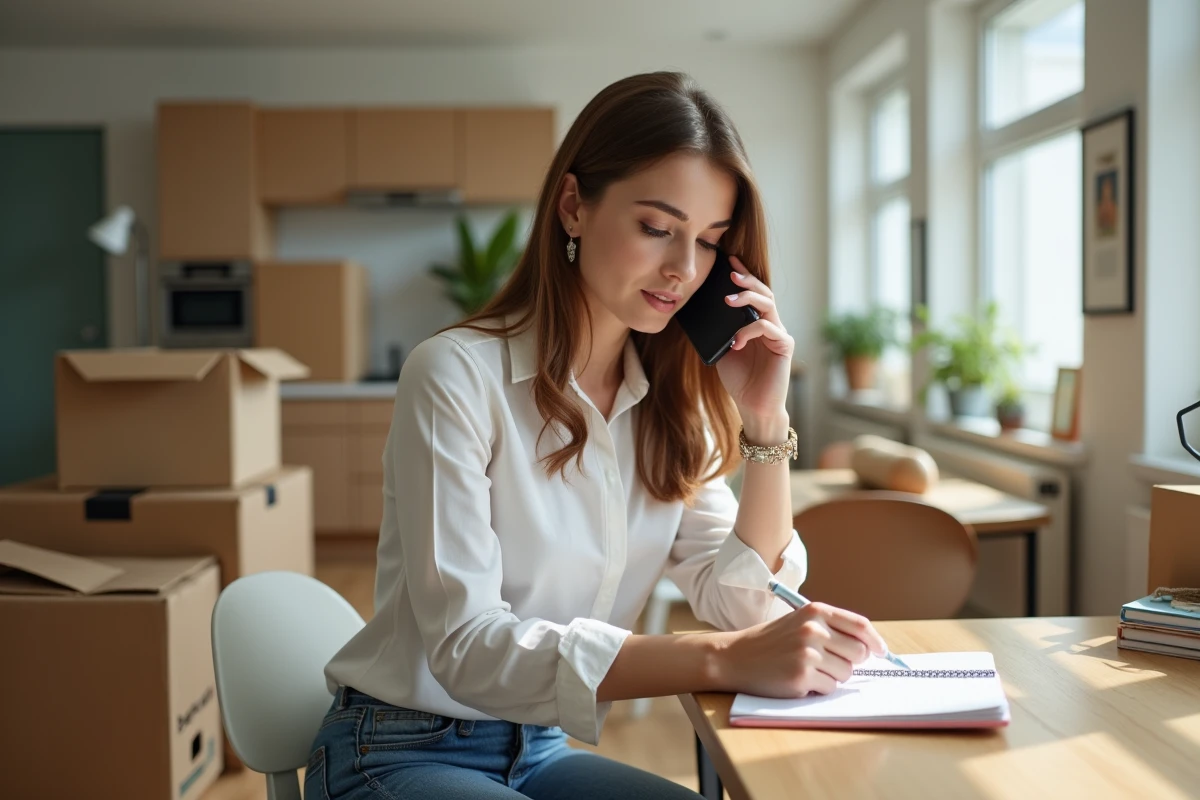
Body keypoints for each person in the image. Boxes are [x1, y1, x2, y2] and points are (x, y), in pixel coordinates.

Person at [307, 71, 888, 800]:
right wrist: (718, 660)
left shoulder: (671, 403)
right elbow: (467, 647)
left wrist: (766, 428)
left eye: (708, 243)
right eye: (657, 228)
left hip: (542, 746)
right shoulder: (455, 374)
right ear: (574, 207)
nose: (683, 269)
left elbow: (749, 607)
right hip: (397, 747)